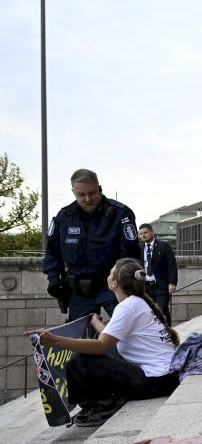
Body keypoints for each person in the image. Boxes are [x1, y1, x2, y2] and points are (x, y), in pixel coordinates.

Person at [27, 258, 180, 427]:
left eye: (110, 272)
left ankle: (106, 405)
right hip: (166, 377)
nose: (107, 275)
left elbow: (101, 346)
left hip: (155, 382)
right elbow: (111, 337)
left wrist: (54, 340)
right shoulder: (137, 302)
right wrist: (95, 322)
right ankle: (94, 402)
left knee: (80, 362)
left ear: (114, 282)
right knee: (97, 353)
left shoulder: (127, 307)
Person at [42, 169, 142, 320]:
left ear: (99, 188)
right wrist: (53, 278)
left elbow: (130, 254)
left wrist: (125, 284)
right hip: (79, 291)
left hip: (113, 286)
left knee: (128, 332)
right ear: (73, 192)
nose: (88, 199)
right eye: (81, 195)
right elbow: (52, 251)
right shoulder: (64, 217)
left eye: (92, 193)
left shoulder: (120, 214)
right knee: (79, 338)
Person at [138, 223, 178, 326]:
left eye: (145, 232)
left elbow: (172, 264)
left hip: (161, 286)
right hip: (145, 287)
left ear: (152, 232)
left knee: (162, 309)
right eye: (141, 233)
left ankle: (168, 333)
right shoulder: (139, 247)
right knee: (148, 312)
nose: (143, 235)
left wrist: (172, 283)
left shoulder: (163, 246)